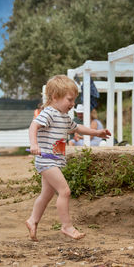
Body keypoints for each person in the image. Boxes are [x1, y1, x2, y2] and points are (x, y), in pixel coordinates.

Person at [26, 75, 111, 241]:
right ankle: (67, 226)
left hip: (55, 160)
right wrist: (34, 144)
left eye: (74, 100)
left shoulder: (64, 117)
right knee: (64, 191)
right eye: (70, 100)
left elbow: (77, 128)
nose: (73, 104)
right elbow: (33, 125)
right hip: (46, 159)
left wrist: (97, 132)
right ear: (54, 97)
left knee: (46, 195)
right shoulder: (49, 113)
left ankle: (32, 220)